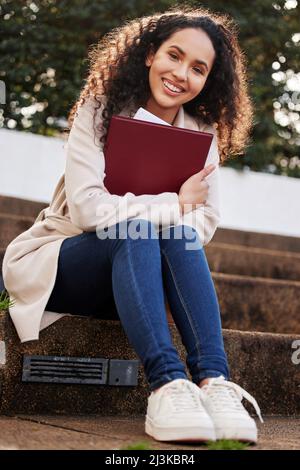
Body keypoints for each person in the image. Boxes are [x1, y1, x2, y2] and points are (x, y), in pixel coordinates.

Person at [2, 4, 263, 443]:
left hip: (140, 275)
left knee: (166, 234)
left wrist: (167, 214)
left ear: (209, 81)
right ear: (149, 54)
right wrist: (174, 203)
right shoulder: (99, 111)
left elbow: (204, 224)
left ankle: (214, 384)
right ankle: (166, 384)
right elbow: (87, 211)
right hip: (63, 262)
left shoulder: (203, 134)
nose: (182, 73)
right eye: (174, 56)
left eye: (198, 68)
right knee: (139, 230)